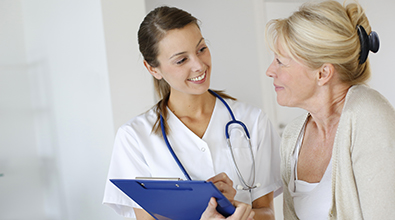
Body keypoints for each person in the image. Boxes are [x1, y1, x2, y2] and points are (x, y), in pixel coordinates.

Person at [102, 6, 282, 220]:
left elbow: (268, 213)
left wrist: (235, 209)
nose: (199, 65)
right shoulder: (134, 137)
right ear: (153, 69)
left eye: (201, 49)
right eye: (181, 60)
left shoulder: (253, 121)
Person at [265, 0, 395, 219]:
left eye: (280, 61)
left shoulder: (369, 117)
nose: (270, 71)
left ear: (323, 73)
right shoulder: (292, 136)